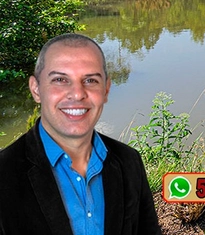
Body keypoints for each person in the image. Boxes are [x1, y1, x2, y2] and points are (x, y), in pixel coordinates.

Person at [0, 33, 162, 235]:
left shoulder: (129, 162)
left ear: (106, 90)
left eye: (91, 80)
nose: (77, 94)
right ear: (36, 89)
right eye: (60, 79)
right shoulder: (4, 174)